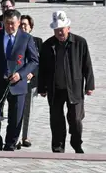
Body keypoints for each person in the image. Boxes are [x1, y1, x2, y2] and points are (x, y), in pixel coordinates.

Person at [37, 10, 94, 154]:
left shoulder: (80, 42)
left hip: (74, 87)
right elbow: (42, 68)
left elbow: (87, 64)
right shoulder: (48, 45)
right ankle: (58, 147)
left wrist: (89, 85)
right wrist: (41, 87)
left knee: (75, 119)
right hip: (55, 88)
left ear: (68, 28)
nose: (59, 33)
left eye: (61, 30)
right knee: (56, 120)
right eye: (56, 30)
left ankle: (77, 144)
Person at [0, 9, 39, 151]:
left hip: (17, 83)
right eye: (7, 23)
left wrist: (21, 74)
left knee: (15, 118)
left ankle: (10, 144)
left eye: (13, 24)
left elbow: (33, 61)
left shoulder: (26, 38)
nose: (10, 27)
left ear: (19, 23)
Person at [19, 14, 42, 149]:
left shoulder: (38, 42)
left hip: (31, 82)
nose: (23, 27)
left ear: (31, 28)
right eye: (21, 25)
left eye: (25, 25)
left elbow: (40, 62)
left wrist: (32, 73)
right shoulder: (15, 40)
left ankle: (25, 136)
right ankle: (15, 136)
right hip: (16, 80)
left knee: (28, 109)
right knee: (16, 109)